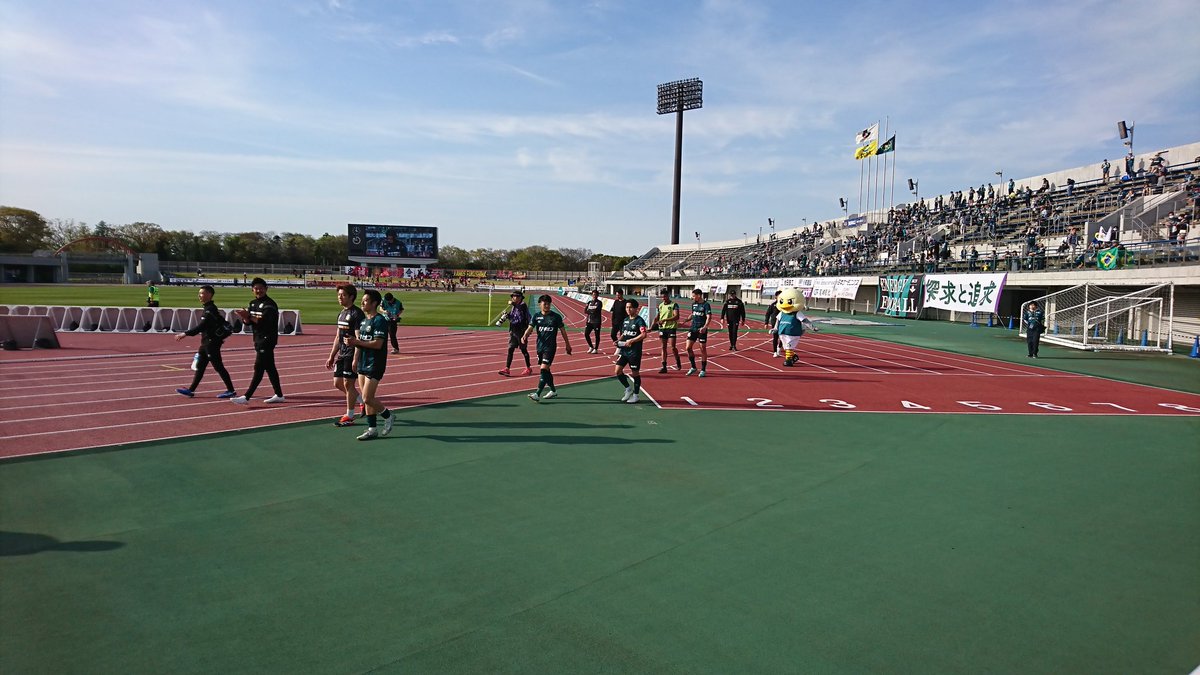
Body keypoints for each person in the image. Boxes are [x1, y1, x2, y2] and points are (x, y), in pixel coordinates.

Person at [345, 289, 394, 440]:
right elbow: (361, 343)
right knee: (369, 399)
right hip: (363, 362)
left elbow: (378, 344)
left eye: (366, 300)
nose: (362, 302)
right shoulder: (364, 321)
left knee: (367, 398)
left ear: (374, 303)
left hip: (375, 363)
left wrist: (356, 341)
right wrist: (355, 357)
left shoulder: (379, 321)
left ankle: (388, 416)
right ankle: (372, 429)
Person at [174, 285, 236, 399]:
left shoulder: (210, 310)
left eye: (202, 293)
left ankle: (231, 390)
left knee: (218, 367)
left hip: (211, 343)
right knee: (200, 367)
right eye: (199, 293)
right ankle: (191, 390)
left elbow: (201, 327)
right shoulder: (208, 308)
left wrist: (185, 334)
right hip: (206, 343)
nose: (199, 295)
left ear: (209, 294)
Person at [231, 277, 285, 404]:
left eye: (261, 288)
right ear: (252, 290)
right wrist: (245, 318)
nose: (258, 290)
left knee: (259, 368)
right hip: (258, 338)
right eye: (256, 288)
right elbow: (249, 323)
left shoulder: (269, 305)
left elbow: (265, 322)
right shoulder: (252, 303)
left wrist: (248, 316)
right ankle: (279, 394)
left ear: (266, 289)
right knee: (270, 368)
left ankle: (246, 397)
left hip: (267, 339)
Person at [325, 283, 365, 427]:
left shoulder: (357, 314)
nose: (340, 298)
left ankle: (349, 415)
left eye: (343, 295)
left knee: (349, 384)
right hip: (342, 353)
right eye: (338, 295)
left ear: (351, 297)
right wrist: (331, 355)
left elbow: (358, 338)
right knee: (337, 383)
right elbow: (338, 337)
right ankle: (362, 402)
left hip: (351, 353)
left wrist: (355, 359)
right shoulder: (341, 313)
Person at [522, 294, 573, 402]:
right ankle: (553, 391)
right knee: (546, 371)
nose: (547, 306)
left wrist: (567, 345)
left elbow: (563, 331)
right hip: (539, 347)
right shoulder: (536, 316)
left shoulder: (556, 317)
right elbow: (530, 327)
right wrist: (525, 335)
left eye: (549, 304)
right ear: (540, 304)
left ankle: (537, 393)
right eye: (545, 304)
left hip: (550, 347)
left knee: (543, 368)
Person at [614, 298, 649, 404]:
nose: (628, 309)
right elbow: (624, 333)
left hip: (634, 352)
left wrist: (632, 340)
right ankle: (628, 389)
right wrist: (618, 340)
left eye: (630, 307)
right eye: (626, 307)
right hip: (624, 351)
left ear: (635, 308)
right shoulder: (625, 320)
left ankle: (636, 395)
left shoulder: (639, 320)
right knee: (617, 370)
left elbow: (644, 334)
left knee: (635, 374)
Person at [497, 290, 532, 376]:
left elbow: (521, 313)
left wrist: (513, 304)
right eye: (514, 296)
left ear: (520, 298)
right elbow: (513, 317)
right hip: (513, 330)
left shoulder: (522, 305)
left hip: (521, 331)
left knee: (524, 350)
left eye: (517, 297)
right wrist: (507, 315)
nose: (515, 298)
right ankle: (507, 368)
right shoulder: (514, 307)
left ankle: (528, 368)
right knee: (510, 349)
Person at [650, 288, 681, 374]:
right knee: (663, 347)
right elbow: (657, 317)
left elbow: (676, 316)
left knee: (673, 347)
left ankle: (677, 359)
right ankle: (664, 366)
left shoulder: (674, 305)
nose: (664, 298)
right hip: (662, 328)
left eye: (665, 297)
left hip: (671, 328)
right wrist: (651, 327)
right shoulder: (660, 305)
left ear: (668, 296)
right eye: (662, 297)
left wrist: (665, 320)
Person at [685, 288, 712, 377]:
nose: (692, 297)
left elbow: (709, 317)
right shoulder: (694, 304)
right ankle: (693, 367)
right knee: (688, 348)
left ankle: (703, 369)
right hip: (693, 328)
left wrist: (705, 327)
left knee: (702, 348)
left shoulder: (706, 305)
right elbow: (692, 314)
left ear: (698, 295)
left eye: (693, 296)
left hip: (701, 330)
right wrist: (685, 320)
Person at [583, 290, 604, 354]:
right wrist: (591, 311)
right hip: (589, 321)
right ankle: (591, 346)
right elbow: (585, 311)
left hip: (596, 322)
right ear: (592, 295)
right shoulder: (589, 302)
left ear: (597, 295)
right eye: (593, 294)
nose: (594, 296)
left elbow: (595, 311)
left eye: (595, 295)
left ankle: (596, 348)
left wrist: (590, 311)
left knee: (597, 335)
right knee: (586, 334)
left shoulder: (599, 302)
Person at [764, 290, 782, 357]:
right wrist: (766, 323)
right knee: (775, 337)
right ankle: (775, 352)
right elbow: (768, 313)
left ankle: (779, 348)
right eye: (779, 296)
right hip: (774, 323)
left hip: (783, 323)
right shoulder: (773, 305)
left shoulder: (785, 305)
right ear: (776, 297)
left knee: (783, 337)